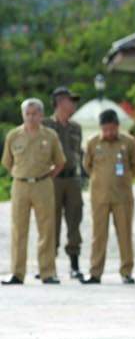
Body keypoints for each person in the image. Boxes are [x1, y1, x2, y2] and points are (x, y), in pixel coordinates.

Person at [1, 98, 66, 285]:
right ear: (23, 115)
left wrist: (46, 177)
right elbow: (7, 162)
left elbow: (60, 162)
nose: (31, 117)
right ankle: (17, 273)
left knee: (46, 229)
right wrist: (21, 174)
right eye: (27, 114)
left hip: (43, 184)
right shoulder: (14, 135)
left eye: (34, 113)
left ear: (41, 115)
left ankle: (47, 272)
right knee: (18, 230)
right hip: (20, 185)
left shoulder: (50, 136)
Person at [81, 109, 135, 284]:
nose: (109, 133)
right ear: (101, 128)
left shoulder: (129, 142)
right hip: (99, 197)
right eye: (105, 129)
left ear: (117, 126)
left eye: (112, 129)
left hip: (123, 197)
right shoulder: (92, 143)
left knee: (125, 234)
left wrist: (123, 180)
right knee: (98, 236)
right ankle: (95, 272)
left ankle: (126, 271)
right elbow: (87, 166)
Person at [43, 86, 85, 279]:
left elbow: (78, 153)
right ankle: (48, 266)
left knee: (74, 220)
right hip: (52, 180)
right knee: (51, 222)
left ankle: (74, 266)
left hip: (72, 179)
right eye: (70, 100)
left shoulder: (76, 127)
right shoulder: (45, 126)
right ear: (60, 102)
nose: (73, 104)